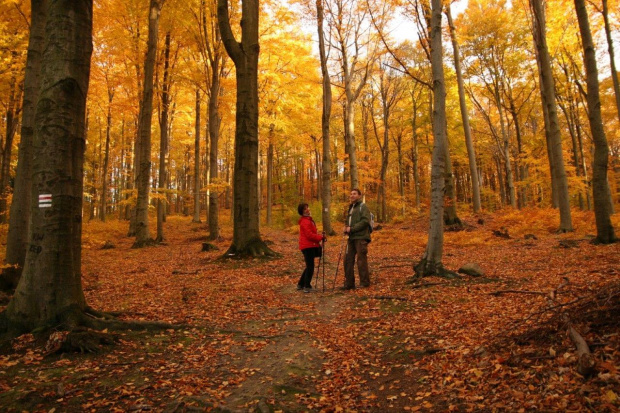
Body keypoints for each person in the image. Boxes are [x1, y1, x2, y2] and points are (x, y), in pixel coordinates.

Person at [342, 188, 371, 290]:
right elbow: (349, 222)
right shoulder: (351, 207)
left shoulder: (363, 207)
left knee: (361, 260)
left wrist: (352, 229)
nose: (352, 196)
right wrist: (346, 228)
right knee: (347, 260)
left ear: (359, 196)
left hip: (361, 237)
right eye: (351, 194)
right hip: (351, 238)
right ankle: (349, 284)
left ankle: (364, 283)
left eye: (354, 194)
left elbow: (365, 221)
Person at [297, 203, 326, 292]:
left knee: (309, 266)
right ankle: (307, 286)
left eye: (307, 208)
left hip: (310, 245)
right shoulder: (305, 221)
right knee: (310, 266)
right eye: (305, 209)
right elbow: (309, 235)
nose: (307, 209)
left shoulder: (308, 220)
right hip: (307, 246)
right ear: (302, 211)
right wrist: (320, 237)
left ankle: (301, 284)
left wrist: (320, 238)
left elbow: (312, 233)